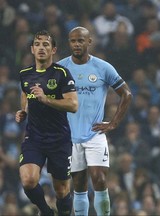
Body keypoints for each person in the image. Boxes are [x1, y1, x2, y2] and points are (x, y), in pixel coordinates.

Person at [58, 26, 132, 216]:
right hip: (70, 136)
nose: (76, 44)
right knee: (79, 184)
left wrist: (113, 123)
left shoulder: (102, 67)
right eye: (73, 41)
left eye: (81, 40)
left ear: (89, 42)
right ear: (69, 43)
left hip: (95, 133)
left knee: (99, 179)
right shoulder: (60, 69)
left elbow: (126, 94)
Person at [15, 30, 78, 215]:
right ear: (32, 49)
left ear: (53, 50)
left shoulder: (62, 74)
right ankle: (45, 211)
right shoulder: (25, 74)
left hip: (59, 139)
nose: (41, 48)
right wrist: (24, 111)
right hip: (34, 137)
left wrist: (46, 99)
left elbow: (73, 105)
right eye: (37, 44)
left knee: (62, 191)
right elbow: (26, 93)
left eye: (46, 45)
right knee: (28, 180)